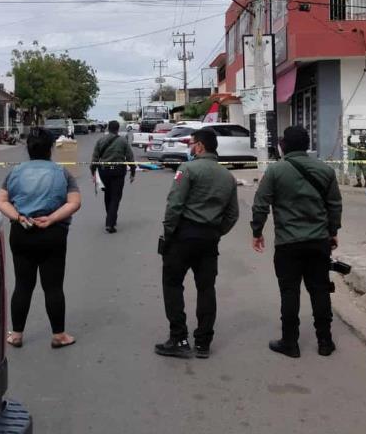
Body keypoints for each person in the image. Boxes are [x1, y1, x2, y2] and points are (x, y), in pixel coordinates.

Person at [252, 126, 343, 358]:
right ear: (306, 145)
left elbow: (261, 204)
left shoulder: (275, 171)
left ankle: (290, 343)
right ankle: (325, 341)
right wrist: (332, 231)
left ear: (283, 146)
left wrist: (257, 231)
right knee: (320, 290)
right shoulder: (325, 170)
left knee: (289, 292)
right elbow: (334, 204)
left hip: (287, 244)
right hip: (318, 241)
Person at [155, 129, 239, 359]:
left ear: (200, 146)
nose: (190, 147)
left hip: (183, 236)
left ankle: (179, 338)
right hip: (209, 240)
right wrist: (216, 232)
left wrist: (169, 233)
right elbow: (232, 215)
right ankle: (203, 343)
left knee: (172, 285)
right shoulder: (227, 177)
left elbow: (174, 205)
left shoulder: (188, 169)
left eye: (191, 143)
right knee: (206, 288)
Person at [0, 127, 81, 349]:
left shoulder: (14, 172)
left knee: (23, 285)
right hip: (52, 234)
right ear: (51, 148)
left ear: (28, 148)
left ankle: (16, 335)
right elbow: (74, 203)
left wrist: (18, 216)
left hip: (21, 232)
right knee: (53, 286)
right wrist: (51, 219)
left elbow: (1, 200)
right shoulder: (62, 173)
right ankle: (59, 335)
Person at [90, 120, 135, 233]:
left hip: (104, 172)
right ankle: (110, 222)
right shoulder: (123, 141)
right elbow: (130, 157)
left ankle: (110, 218)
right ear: (117, 129)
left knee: (108, 195)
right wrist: (133, 172)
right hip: (118, 172)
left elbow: (95, 158)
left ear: (108, 128)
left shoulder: (100, 140)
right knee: (115, 197)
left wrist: (93, 172)